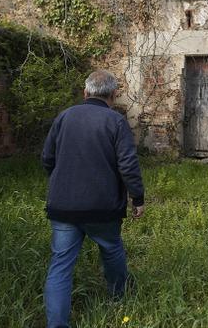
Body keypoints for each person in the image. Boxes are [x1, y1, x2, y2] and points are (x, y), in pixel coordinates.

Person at [41, 70, 145, 328]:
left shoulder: (64, 117)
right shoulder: (116, 122)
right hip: (103, 207)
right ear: (113, 95)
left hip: (63, 206)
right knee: (111, 250)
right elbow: (128, 165)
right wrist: (138, 197)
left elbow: (47, 159)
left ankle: (56, 325)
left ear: (85, 93)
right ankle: (118, 299)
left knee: (61, 265)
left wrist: (64, 180)